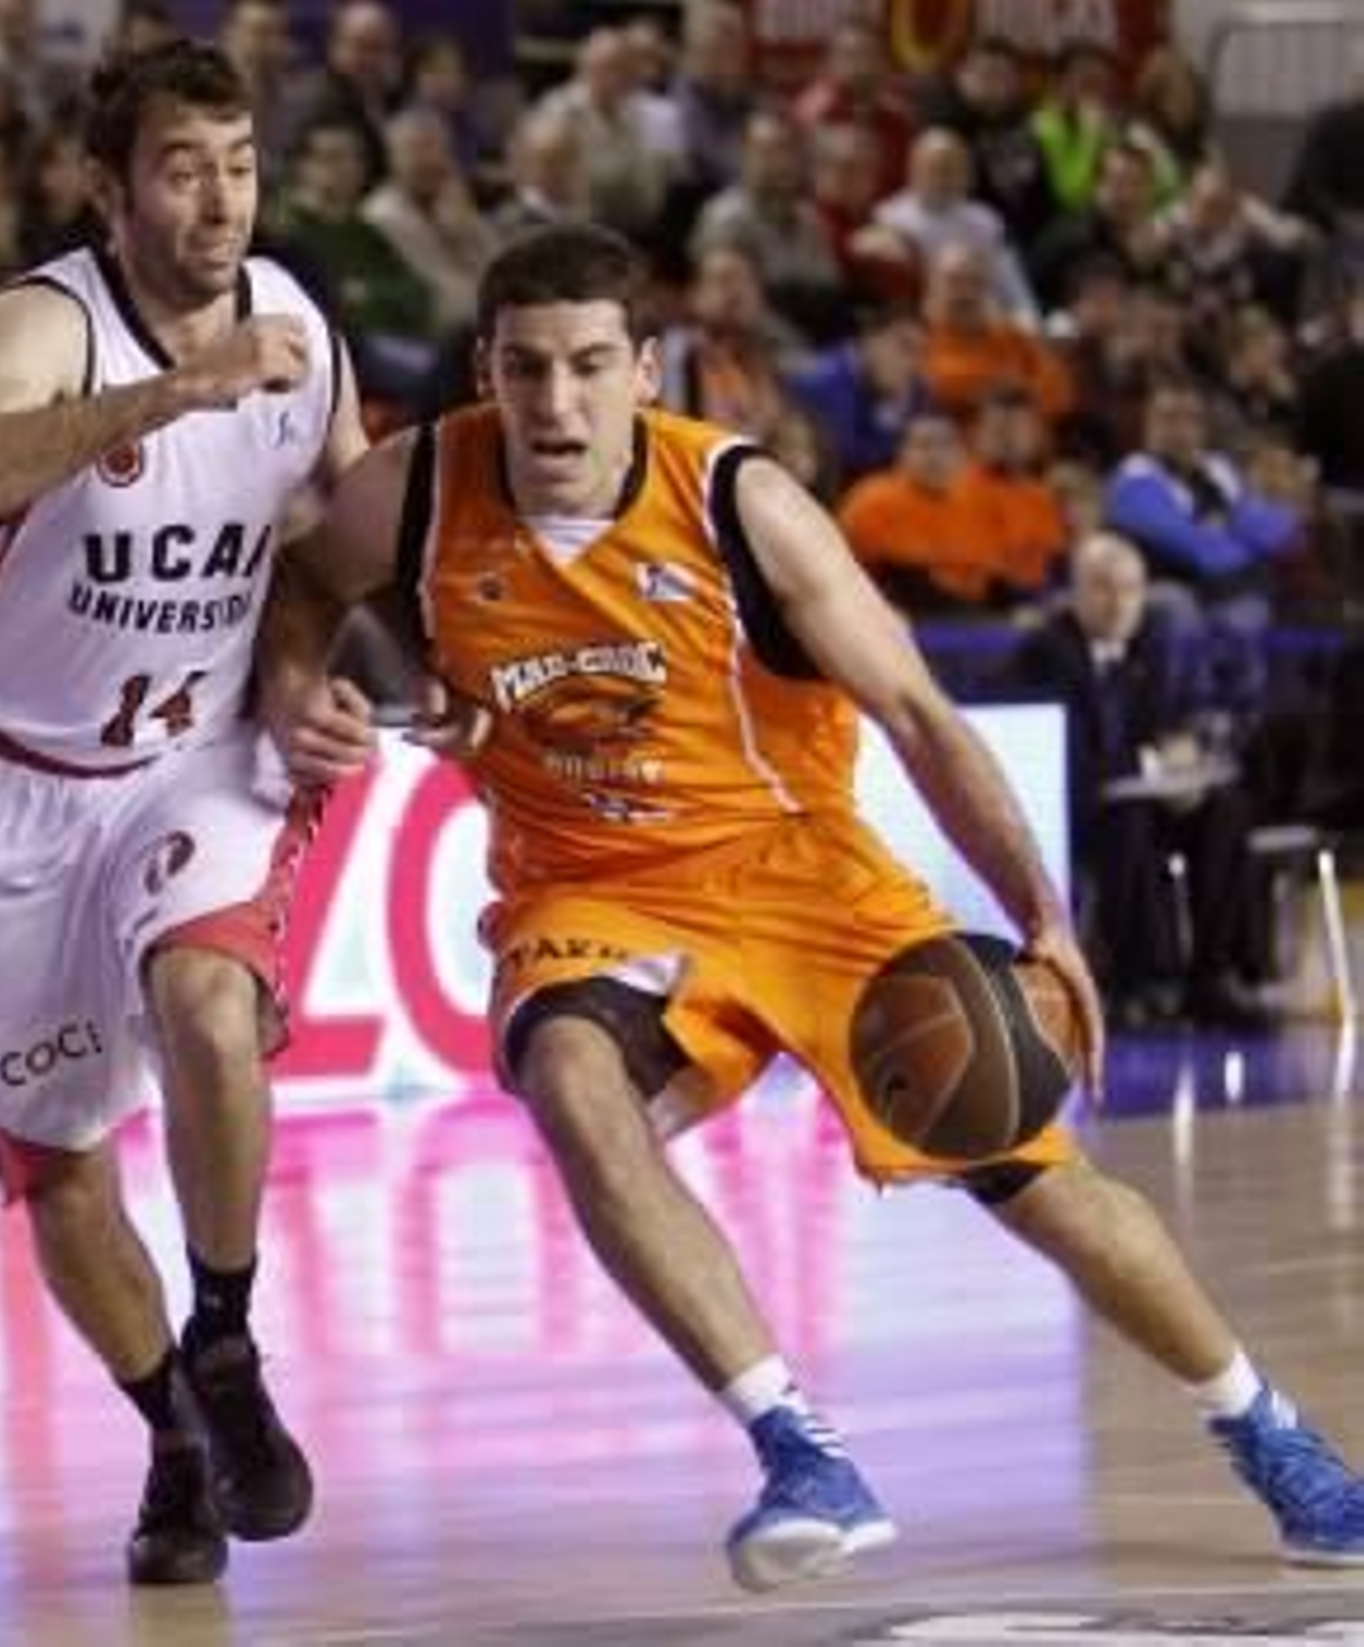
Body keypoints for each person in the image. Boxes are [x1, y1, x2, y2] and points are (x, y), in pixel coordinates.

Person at [269, 223, 1364, 1590]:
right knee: (568, 1075)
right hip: (589, 888)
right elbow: (303, 581)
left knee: (1032, 1177)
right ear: (486, 369)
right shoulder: (418, 486)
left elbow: (913, 707)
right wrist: (299, 690)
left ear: (647, 368)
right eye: (526, 368)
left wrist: (1047, 918)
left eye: (590, 365)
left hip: (801, 871)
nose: (555, 402)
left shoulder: (742, 502)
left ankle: (1272, 1432)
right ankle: (797, 1446)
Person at [0, 39, 369, 1588]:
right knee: (66, 1168)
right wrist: (171, 394)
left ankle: (225, 1335)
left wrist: (320, 670)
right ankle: (170, 1429)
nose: (220, 195)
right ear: (109, 188)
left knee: (205, 1002)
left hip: (195, 760)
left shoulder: (300, 320)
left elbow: (347, 545)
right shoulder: (49, 317)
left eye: (237, 159)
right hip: (11, 791)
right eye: (183, 165)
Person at [1003, 533, 1271, 1029]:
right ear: (1076, 590)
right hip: (1072, 813)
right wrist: (1153, 764)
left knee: (1226, 810)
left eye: (1130, 589)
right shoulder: (1045, 652)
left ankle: (1213, 976)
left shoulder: (1154, 643)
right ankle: (1140, 980)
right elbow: (1067, 759)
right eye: (1103, 587)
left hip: (1144, 801)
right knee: (1128, 824)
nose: (1119, 602)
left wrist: (1187, 763)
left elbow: (1180, 721)